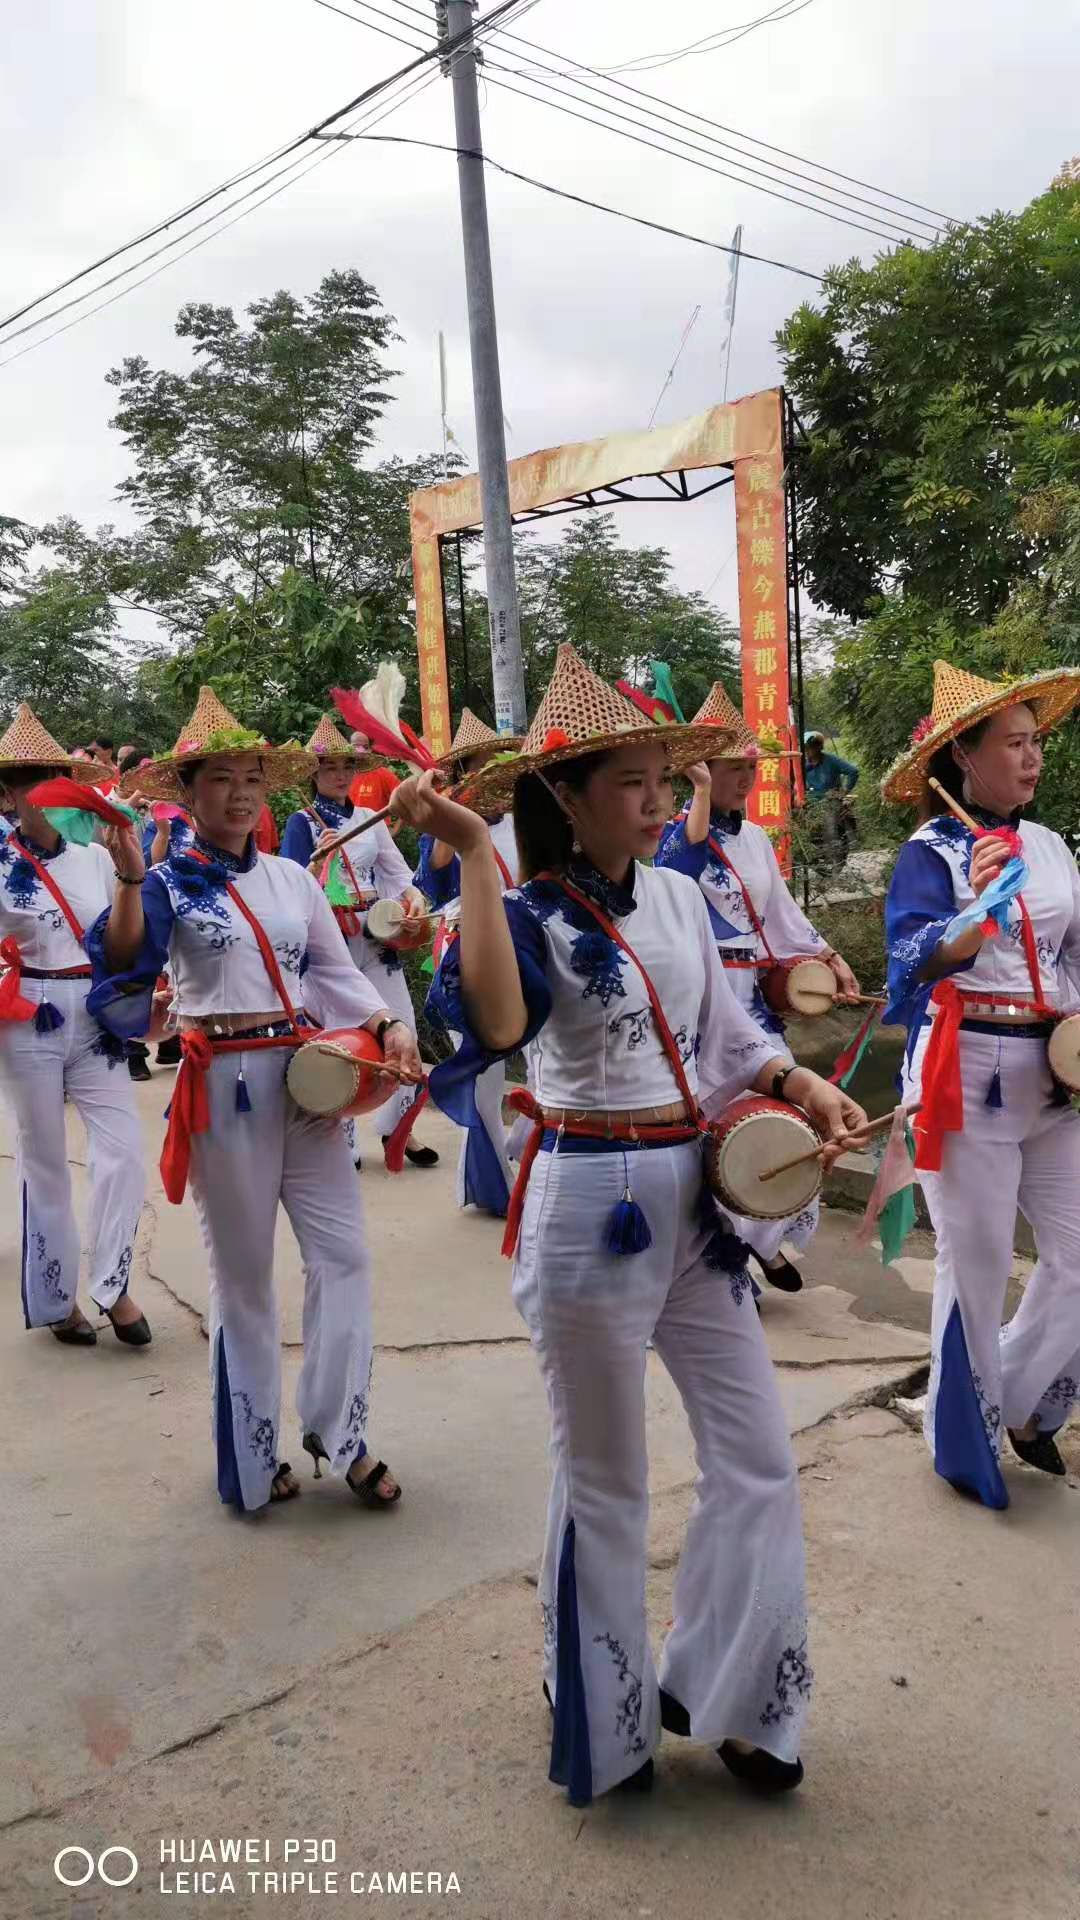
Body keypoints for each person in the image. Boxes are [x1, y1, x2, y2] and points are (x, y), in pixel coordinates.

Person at [399, 645, 867, 1805]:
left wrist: (799, 1086)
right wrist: (467, 849)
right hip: (585, 1208)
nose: (663, 801)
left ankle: (743, 1696)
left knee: (758, 1459)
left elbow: (728, 1033)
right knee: (605, 1479)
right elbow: (500, 1026)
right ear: (565, 797)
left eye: (668, 780)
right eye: (636, 783)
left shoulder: (679, 894)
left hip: (697, 1213)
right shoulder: (526, 912)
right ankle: (603, 1720)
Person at [89, 687, 421, 1513]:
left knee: (344, 1257)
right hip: (223, 1085)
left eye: (251, 778)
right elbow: (126, 964)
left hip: (311, 1081)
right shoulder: (168, 883)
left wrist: (385, 1023)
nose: (240, 792)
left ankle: (338, 1434)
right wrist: (130, 878)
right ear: (190, 792)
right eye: (221, 779)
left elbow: (333, 973)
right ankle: (250, 1450)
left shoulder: (289, 879)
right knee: (244, 1284)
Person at [883, 659, 1080, 1509]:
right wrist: (976, 908)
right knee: (977, 1265)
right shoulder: (929, 851)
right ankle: (964, 1443)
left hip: (1059, 1069)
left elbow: (1073, 951)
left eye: (1038, 742)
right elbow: (909, 960)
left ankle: (1021, 1401)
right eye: (1014, 744)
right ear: (963, 756)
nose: (1033, 760)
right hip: (970, 1070)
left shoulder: (1048, 843)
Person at [657, 684, 861, 1293]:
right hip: (701, 994)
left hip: (752, 993)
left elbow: (781, 917)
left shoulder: (755, 839)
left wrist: (826, 954)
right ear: (702, 769)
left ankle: (760, 1239)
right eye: (731, 768)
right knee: (710, 1123)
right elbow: (676, 876)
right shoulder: (678, 834)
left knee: (779, 1112)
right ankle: (727, 1247)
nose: (745, 778)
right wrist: (695, 793)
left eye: (751, 768)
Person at [0, 704, 149, 1348]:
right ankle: (56, 1295)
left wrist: (129, 873)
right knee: (45, 1162)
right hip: (27, 1016)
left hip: (94, 1016)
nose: (48, 790)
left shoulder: (94, 857)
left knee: (123, 1152)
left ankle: (112, 1282)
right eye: (31, 780)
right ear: (7, 794)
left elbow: (122, 942)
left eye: (58, 777)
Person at [280, 716, 438, 1172]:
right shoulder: (301, 822)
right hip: (331, 937)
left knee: (402, 1026)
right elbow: (293, 887)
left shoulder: (371, 818)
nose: (340, 775)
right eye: (330, 767)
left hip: (375, 932)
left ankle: (395, 1127)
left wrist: (411, 900)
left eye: (347, 766)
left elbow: (398, 873)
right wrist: (320, 860)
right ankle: (342, 1136)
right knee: (340, 1034)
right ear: (313, 773)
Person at [414, 709, 522, 1216]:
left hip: (526, 950)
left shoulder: (527, 823)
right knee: (485, 1076)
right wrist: (446, 812)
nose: (490, 777)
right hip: (467, 953)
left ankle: (518, 1154)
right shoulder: (447, 828)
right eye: (479, 767)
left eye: (498, 766)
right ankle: (493, 1185)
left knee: (549, 1069)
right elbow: (430, 885)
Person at [803, 730, 858, 869]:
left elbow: (853, 771)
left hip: (830, 801)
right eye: (806, 748)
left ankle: (836, 857)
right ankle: (810, 854)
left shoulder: (831, 761)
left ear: (819, 747)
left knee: (830, 823)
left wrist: (843, 792)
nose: (808, 751)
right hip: (810, 801)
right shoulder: (803, 765)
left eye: (812, 747)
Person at [348, 731, 402, 828]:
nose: (360, 750)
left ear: (370, 750)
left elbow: (406, 800)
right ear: (348, 748)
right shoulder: (344, 775)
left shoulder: (383, 774)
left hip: (378, 833)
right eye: (355, 746)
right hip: (349, 835)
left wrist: (394, 830)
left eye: (365, 747)